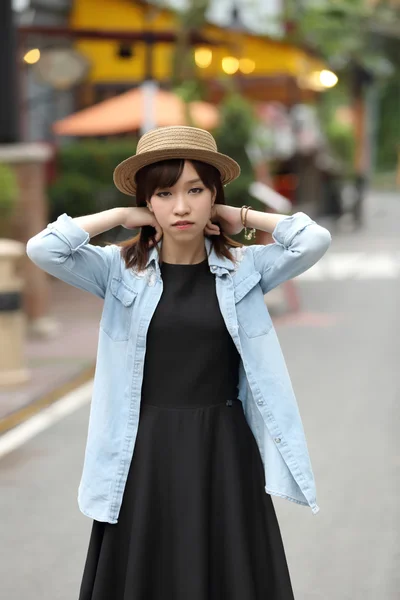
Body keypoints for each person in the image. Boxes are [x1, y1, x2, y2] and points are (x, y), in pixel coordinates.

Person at [26, 126, 332, 600]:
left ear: (214, 196)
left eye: (196, 190)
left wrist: (240, 216)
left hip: (224, 449)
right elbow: (43, 248)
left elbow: (312, 240)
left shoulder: (246, 269)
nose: (182, 207)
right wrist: (120, 215)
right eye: (164, 194)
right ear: (149, 203)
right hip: (143, 448)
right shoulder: (117, 270)